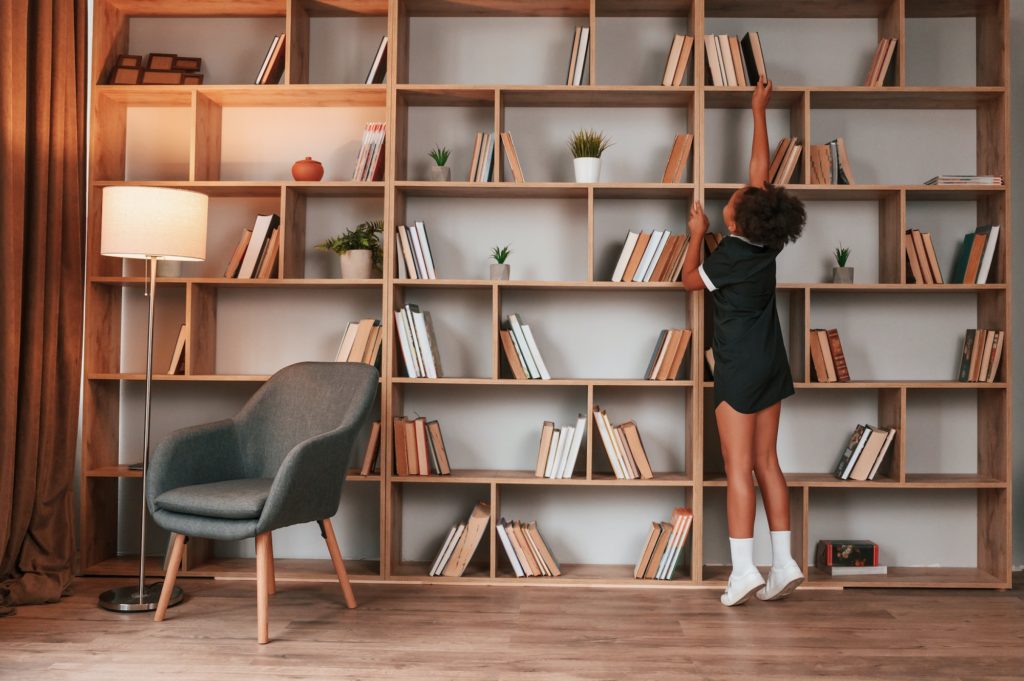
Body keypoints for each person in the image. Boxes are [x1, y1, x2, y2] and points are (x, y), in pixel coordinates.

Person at [682, 78, 807, 606]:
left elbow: (689, 281)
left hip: (736, 367)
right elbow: (761, 178)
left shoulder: (728, 254)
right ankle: (783, 563)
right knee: (768, 463)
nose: (739, 190)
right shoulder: (766, 243)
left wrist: (695, 234)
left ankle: (742, 571)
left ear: (734, 220)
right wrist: (759, 111)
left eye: (732, 201)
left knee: (738, 470)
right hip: (773, 364)